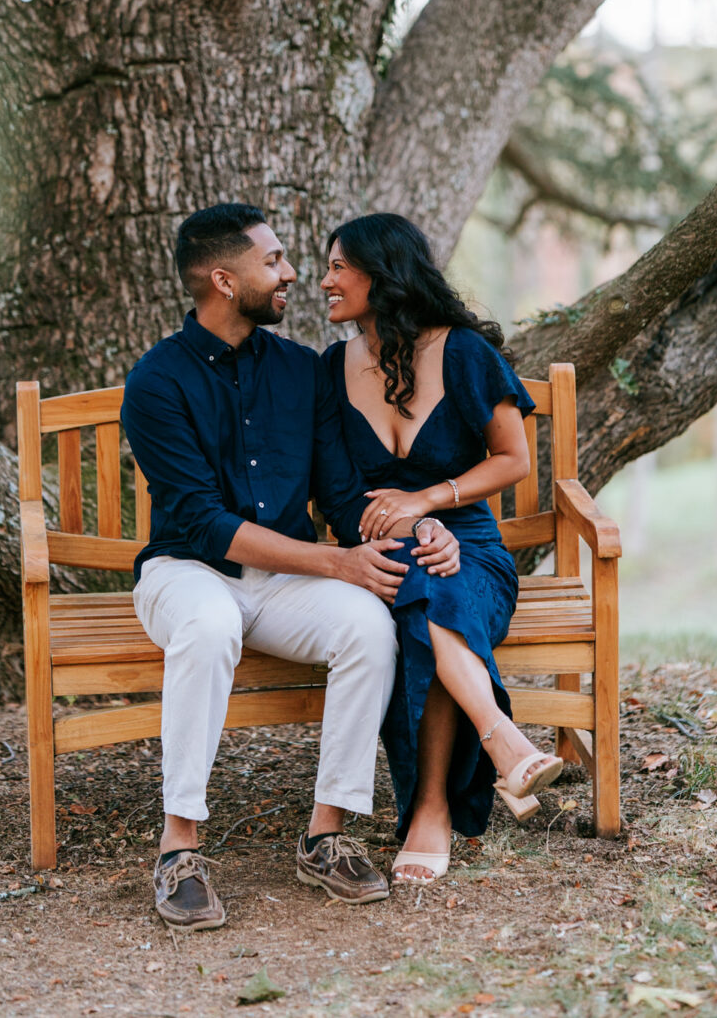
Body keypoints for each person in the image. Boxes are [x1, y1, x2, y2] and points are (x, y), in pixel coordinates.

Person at [122, 203, 459, 928]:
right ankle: (179, 847)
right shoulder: (156, 381)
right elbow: (202, 522)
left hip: (284, 583)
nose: (291, 273)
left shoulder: (304, 371)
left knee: (370, 626)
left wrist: (415, 524)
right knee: (210, 625)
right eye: (273, 261)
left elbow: (340, 491)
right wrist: (334, 561)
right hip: (186, 573)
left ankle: (326, 834)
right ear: (222, 278)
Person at [320, 213, 563, 885]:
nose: (325, 281)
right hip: (376, 554)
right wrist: (405, 529)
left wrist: (430, 506)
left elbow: (514, 460)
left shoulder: (463, 353)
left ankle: (431, 806)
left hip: (472, 547)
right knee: (423, 580)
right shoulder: (330, 371)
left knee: (442, 584)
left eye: (339, 266)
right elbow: (337, 495)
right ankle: (502, 741)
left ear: (383, 271)